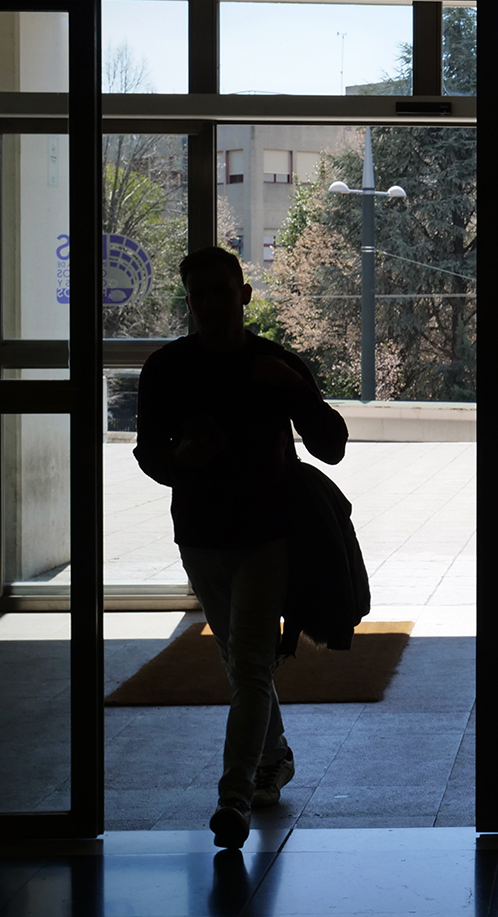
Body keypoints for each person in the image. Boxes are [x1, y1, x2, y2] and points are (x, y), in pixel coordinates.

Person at [133, 246, 348, 849]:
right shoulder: (167, 369)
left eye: (219, 292)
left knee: (248, 664)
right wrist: (180, 462)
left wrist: (295, 393)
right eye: (198, 295)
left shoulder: (272, 364)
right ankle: (274, 756)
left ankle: (234, 796)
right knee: (241, 661)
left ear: (244, 295)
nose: (208, 305)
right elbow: (151, 454)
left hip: (266, 537)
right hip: (201, 537)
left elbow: (331, 443)